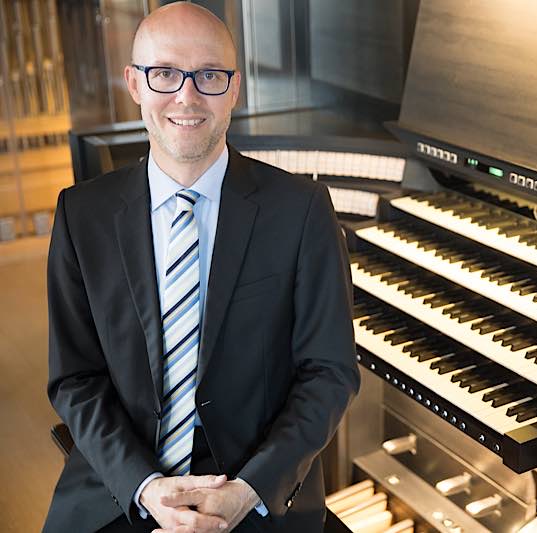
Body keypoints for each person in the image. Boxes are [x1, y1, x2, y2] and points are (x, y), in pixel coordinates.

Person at [43, 3, 359, 532]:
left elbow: (330, 372)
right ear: (134, 84)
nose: (186, 97)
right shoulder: (81, 213)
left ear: (234, 89)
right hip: (120, 486)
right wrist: (143, 486)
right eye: (165, 73)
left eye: (209, 75)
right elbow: (75, 378)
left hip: (255, 492)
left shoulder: (302, 209)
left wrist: (249, 489)